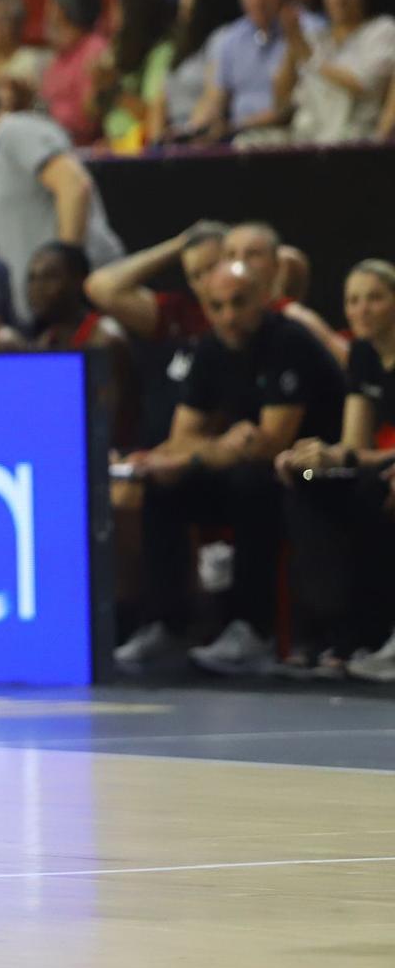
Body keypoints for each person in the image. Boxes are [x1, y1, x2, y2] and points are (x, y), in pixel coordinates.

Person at [116, 259, 348, 675]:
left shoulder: (288, 342)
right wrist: (209, 450)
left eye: (238, 303)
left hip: (315, 472)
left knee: (251, 484)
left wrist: (203, 451)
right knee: (164, 486)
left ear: (262, 298)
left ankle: (252, 631)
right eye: (217, 306)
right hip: (250, 467)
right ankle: (167, 625)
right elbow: (184, 437)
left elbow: (268, 442)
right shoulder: (209, 347)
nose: (229, 316)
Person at [276, 259, 395, 679]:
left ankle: (377, 634)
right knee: (307, 485)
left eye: (375, 299)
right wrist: (312, 457)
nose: (362, 310)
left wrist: (341, 457)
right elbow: (353, 445)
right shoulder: (362, 355)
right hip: (369, 469)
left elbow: (357, 456)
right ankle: (332, 632)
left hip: (384, 476)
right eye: (353, 301)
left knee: (370, 495)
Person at [0, 77, 126, 326]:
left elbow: (73, 185)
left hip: (83, 297)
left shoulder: (15, 130)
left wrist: (66, 266)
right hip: (44, 313)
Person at [26, 241, 139, 446]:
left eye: (49, 277)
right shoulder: (44, 342)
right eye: (32, 278)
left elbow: (108, 429)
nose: (37, 288)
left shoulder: (105, 340)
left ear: (79, 280)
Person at [190, 0, 315, 141]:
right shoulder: (229, 38)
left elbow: (294, 106)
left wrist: (235, 127)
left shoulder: (310, 32)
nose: (258, 0)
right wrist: (192, 131)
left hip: (293, 135)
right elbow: (214, 98)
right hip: (238, 138)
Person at [277, 0, 395, 142]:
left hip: (355, 138)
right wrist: (292, 44)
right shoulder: (314, 37)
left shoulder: (382, 30)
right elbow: (281, 100)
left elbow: (365, 83)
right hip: (306, 138)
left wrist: (309, 57)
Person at [86, 219, 231, 344]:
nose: (206, 281)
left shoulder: (251, 313)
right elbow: (101, 288)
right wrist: (182, 243)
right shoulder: (182, 314)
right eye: (196, 275)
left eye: (212, 267)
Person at [223, 219, 349, 358]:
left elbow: (349, 361)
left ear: (275, 264)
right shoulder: (220, 319)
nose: (240, 262)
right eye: (231, 254)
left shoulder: (294, 317)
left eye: (253, 254)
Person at [151, 0, 245, 142]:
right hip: (173, 138)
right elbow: (160, 100)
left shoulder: (221, 39)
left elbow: (212, 97)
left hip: (200, 138)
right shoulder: (182, 44)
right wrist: (156, 141)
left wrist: (187, 135)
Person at [97, 0, 178, 152]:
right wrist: (97, 84)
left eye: (117, 9)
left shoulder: (161, 53)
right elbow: (90, 111)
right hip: (113, 144)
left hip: (142, 148)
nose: (111, 16)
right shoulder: (117, 50)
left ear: (134, 13)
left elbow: (151, 113)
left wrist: (114, 88)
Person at [40, 0, 112, 146]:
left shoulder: (95, 48)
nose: (48, 13)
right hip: (53, 139)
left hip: (82, 146)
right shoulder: (59, 56)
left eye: (53, 5)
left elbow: (89, 117)